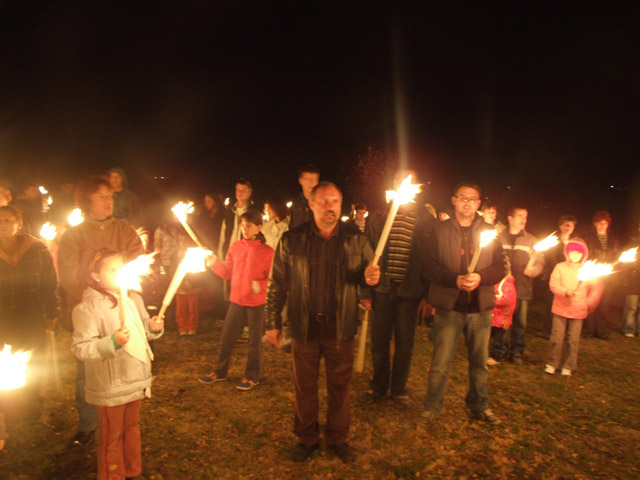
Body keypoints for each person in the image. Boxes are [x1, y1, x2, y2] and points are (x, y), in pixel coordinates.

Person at [265, 181, 380, 463]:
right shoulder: (292, 240)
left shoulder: (356, 239)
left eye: (335, 201)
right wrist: (272, 322)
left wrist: (371, 281)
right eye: (325, 201)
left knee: (340, 387)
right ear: (312, 205)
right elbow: (277, 284)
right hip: (304, 326)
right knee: (304, 387)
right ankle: (307, 438)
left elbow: (369, 275)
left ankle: (338, 437)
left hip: (340, 327)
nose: (331, 207)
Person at [58, 175, 143, 447]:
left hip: (122, 307)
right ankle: (87, 422)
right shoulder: (74, 235)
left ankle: (123, 419)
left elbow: (137, 262)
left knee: (124, 362)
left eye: (110, 196)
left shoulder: (124, 230)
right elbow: (69, 275)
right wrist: (98, 289)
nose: (109, 201)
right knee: (90, 368)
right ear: (86, 201)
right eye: (101, 196)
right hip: (91, 310)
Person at [71, 249, 164, 480]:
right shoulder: (88, 308)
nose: (118, 273)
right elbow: (81, 348)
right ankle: (112, 475)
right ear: (95, 276)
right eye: (112, 270)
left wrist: (152, 327)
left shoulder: (134, 299)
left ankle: (133, 471)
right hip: (111, 384)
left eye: (120, 268)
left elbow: (143, 331)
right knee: (112, 433)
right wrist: (111, 342)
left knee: (132, 427)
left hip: (135, 378)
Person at [418, 182, 504, 427]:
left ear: (479, 204)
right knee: (440, 363)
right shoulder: (439, 230)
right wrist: (453, 280)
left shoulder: (490, 232)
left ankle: (479, 405)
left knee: (479, 363)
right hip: (449, 307)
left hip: (480, 308)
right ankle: (432, 406)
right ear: (454, 200)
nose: (467, 202)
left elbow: (500, 266)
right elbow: (427, 266)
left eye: (472, 199)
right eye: (463, 197)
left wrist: (481, 278)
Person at [365, 170, 433, 408]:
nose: (402, 183)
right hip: (382, 289)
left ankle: (399, 389)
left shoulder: (424, 219)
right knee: (379, 342)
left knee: (405, 343)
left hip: (410, 291)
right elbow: (367, 252)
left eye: (408, 180)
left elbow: (430, 258)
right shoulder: (379, 215)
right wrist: (366, 291)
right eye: (398, 180)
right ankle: (378, 385)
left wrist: (427, 295)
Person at [199, 210, 274, 390]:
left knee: (254, 341)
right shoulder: (235, 247)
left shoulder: (268, 252)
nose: (244, 229)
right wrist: (213, 262)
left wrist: (260, 286)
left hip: (256, 302)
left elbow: (272, 277)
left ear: (259, 227)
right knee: (227, 337)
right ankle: (220, 372)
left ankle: (252, 376)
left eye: (249, 225)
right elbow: (226, 273)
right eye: (242, 225)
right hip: (237, 299)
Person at [0, 205, 58, 425]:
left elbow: (49, 283)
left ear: (19, 224)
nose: (3, 225)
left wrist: (51, 312)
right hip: (2, 318)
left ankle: (31, 407)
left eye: (7, 220)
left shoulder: (36, 249)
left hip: (30, 317)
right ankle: (7, 408)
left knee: (32, 362)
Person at [545, 238, 598, 375]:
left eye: (578, 253)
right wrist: (565, 292)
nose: (575, 255)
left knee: (573, 339)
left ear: (583, 254)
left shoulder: (587, 269)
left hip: (578, 309)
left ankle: (568, 365)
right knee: (557, 337)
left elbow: (595, 287)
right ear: (567, 253)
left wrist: (589, 301)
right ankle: (552, 363)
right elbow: (554, 284)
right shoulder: (560, 267)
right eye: (572, 252)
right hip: (560, 307)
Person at [498, 207, 544, 364]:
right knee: (502, 320)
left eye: (525, 216)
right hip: (503, 289)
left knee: (520, 323)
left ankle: (516, 351)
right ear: (510, 218)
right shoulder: (499, 237)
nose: (524, 219)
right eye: (520, 216)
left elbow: (540, 261)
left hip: (522, 287)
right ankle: (500, 349)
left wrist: (534, 270)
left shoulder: (531, 240)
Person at [583, 210, 618, 340]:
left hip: (607, 277)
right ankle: (588, 330)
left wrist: (610, 268)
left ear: (608, 224)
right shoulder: (589, 239)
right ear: (595, 224)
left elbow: (616, 256)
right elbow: (587, 256)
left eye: (604, 223)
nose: (602, 225)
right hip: (593, 276)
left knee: (604, 304)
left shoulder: (613, 240)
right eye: (599, 223)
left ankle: (601, 331)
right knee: (591, 303)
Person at [541, 215, 577, 339]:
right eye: (566, 225)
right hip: (555, 277)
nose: (568, 227)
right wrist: (560, 270)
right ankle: (548, 331)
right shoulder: (554, 242)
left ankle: (563, 331)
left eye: (571, 225)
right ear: (560, 226)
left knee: (565, 305)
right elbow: (550, 258)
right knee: (551, 304)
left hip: (569, 279)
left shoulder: (574, 243)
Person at [487, 256, 516, 366]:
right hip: (493, 316)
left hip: (502, 318)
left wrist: (492, 299)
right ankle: (485, 353)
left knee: (498, 339)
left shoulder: (508, 284)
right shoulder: (496, 282)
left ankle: (496, 356)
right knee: (488, 336)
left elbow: (507, 299)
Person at [174, 230, 202, 335]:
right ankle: (182, 327)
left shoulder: (194, 253)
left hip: (192, 286)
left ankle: (192, 326)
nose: (182, 243)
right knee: (180, 308)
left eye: (184, 240)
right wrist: (179, 282)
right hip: (179, 285)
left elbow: (198, 272)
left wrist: (191, 282)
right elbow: (173, 269)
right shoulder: (176, 254)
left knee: (192, 307)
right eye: (180, 240)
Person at [621, 223, 640, 338]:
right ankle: (628, 328)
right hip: (633, 279)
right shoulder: (633, 243)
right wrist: (626, 279)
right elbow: (625, 264)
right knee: (631, 306)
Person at [289, 164, 320, 229]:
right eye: (307, 179)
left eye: (314, 179)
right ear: (300, 181)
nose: (311, 183)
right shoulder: (296, 202)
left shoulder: (321, 201)